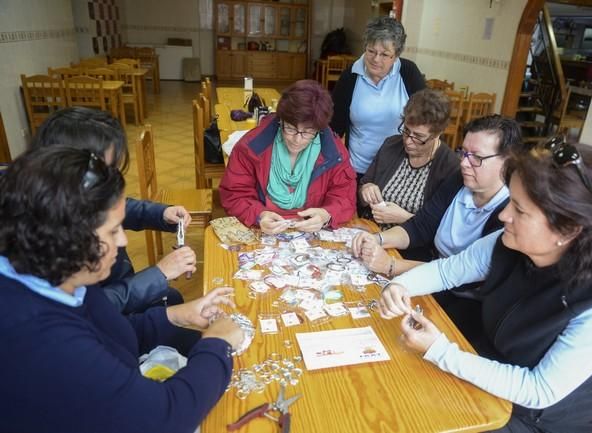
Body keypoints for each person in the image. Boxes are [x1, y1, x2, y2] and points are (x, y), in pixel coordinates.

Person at [380, 140, 592, 433]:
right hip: (485, 370)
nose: (504, 215)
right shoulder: (508, 243)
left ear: (568, 229)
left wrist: (440, 351)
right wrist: (400, 285)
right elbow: (448, 271)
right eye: (510, 202)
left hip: (537, 419)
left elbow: (538, 390)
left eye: (519, 210)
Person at [0, 146, 244, 433]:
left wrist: (176, 315)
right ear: (71, 238)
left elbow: (112, 334)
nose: (124, 242)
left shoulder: (63, 269)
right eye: (113, 230)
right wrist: (218, 345)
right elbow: (166, 418)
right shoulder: (38, 337)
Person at [32, 107, 195, 314]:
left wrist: (161, 213)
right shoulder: (48, 237)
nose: (122, 240)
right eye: (108, 170)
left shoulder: (69, 194)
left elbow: (116, 207)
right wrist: (159, 274)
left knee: (173, 299)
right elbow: (94, 308)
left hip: (120, 289)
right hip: (110, 315)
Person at [353, 115, 523, 268]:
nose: (464, 163)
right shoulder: (458, 181)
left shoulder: (509, 212)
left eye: (476, 157)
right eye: (463, 153)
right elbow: (419, 227)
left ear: (507, 162)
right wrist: (377, 239)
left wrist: (392, 265)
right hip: (432, 271)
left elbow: (460, 274)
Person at [220, 79, 356, 234]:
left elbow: (345, 196)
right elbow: (234, 194)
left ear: (320, 129)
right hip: (262, 230)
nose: (297, 140)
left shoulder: (334, 152)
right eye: (290, 129)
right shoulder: (252, 147)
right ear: (281, 121)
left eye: (307, 132)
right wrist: (259, 215)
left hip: (311, 233)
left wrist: (326, 214)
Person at [331, 16, 426, 179]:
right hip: (358, 168)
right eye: (371, 51)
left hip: (398, 169)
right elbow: (334, 128)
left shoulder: (408, 73)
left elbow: (427, 119)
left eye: (384, 54)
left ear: (396, 56)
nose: (376, 59)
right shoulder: (350, 77)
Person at [358, 88, 458, 231]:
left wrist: (406, 218)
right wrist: (366, 189)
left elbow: (444, 229)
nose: (408, 141)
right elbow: (363, 187)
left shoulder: (450, 167)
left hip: (409, 248)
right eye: (406, 130)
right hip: (371, 230)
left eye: (418, 136)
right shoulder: (391, 145)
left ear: (437, 134)